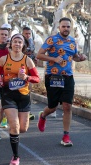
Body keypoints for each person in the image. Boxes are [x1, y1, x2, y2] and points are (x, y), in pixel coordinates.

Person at [36, 17, 87, 147]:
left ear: (70, 28)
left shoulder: (72, 41)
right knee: (52, 108)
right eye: (63, 26)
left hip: (68, 77)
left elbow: (74, 57)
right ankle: (43, 115)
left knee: (67, 106)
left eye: (68, 27)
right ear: (59, 27)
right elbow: (39, 55)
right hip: (53, 77)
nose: (66, 29)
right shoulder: (51, 39)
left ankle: (66, 136)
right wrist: (53, 58)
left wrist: (80, 58)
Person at [0, 33, 40, 165]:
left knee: (23, 128)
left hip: (23, 97)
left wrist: (26, 77)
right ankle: (15, 156)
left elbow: (37, 78)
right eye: (15, 41)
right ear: (11, 44)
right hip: (8, 96)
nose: (17, 44)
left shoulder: (27, 60)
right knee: (14, 126)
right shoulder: (4, 59)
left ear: (23, 45)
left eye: (20, 42)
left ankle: (14, 132)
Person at [22, 26, 36, 121]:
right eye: (26, 33)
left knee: (29, 90)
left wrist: (35, 58)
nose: (27, 35)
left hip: (29, 68)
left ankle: (28, 110)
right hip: (19, 68)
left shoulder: (32, 42)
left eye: (29, 33)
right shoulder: (18, 41)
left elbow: (33, 53)